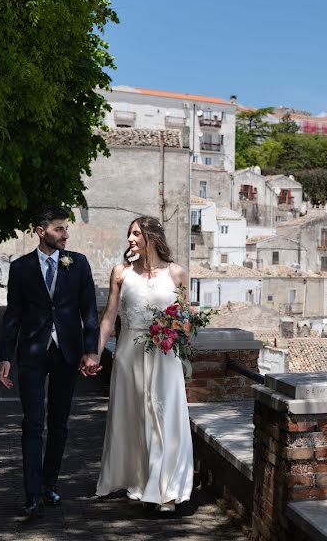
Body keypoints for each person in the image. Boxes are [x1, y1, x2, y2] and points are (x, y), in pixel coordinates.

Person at [0, 207, 100, 519]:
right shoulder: (21, 268)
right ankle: (31, 494)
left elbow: (89, 313)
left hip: (67, 353)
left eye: (66, 229)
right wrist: (5, 355)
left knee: (59, 423)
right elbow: (13, 314)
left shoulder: (78, 263)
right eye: (59, 229)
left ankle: (49, 484)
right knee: (33, 423)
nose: (66, 234)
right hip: (31, 352)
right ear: (40, 231)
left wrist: (91, 351)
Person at [95, 216, 193, 512]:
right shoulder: (121, 273)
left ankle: (168, 491)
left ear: (151, 237)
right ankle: (141, 481)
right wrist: (95, 354)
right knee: (136, 419)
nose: (130, 239)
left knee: (165, 417)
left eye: (136, 234)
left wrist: (176, 330)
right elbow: (110, 318)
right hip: (128, 355)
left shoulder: (176, 273)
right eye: (129, 234)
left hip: (164, 355)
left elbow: (186, 318)